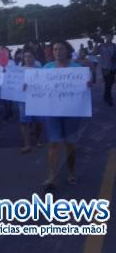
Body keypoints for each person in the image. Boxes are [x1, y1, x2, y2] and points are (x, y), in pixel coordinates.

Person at [39, 39, 91, 193]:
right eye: (54, 49)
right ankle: (51, 176)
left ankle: (71, 171)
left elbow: (86, 86)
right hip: (52, 111)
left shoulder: (77, 68)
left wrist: (88, 84)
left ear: (67, 51)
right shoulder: (47, 68)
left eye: (60, 49)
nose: (57, 52)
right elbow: (39, 87)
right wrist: (29, 86)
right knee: (54, 143)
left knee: (70, 143)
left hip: (71, 112)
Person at [19, 49, 43, 153]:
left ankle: (38, 140)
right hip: (24, 99)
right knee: (24, 122)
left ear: (34, 57)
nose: (27, 58)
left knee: (39, 122)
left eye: (30, 56)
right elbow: (13, 86)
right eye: (25, 56)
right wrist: (21, 86)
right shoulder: (19, 70)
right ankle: (27, 144)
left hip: (38, 99)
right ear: (23, 58)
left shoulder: (40, 69)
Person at [93, 33, 116, 106]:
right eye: (108, 36)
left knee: (109, 83)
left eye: (111, 36)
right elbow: (94, 53)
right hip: (105, 68)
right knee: (108, 83)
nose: (109, 38)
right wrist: (96, 42)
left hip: (113, 67)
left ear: (112, 38)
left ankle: (106, 96)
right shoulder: (101, 46)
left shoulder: (114, 46)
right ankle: (109, 98)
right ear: (106, 37)